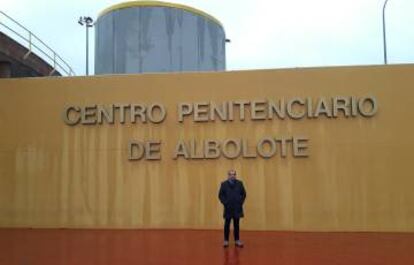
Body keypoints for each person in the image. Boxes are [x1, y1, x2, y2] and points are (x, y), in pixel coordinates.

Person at [218, 169, 247, 248]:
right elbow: (220, 195)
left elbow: (244, 194)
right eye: (230, 174)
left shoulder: (240, 184)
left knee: (236, 225)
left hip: (237, 208)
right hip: (228, 208)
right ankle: (226, 241)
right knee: (227, 224)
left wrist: (240, 202)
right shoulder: (223, 184)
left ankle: (237, 240)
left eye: (234, 174)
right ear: (228, 176)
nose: (232, 176)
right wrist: (225, 202)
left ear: (235, 175)